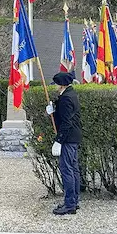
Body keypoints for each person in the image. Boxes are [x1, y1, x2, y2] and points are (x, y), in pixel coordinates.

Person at [46, 72, 82, 215]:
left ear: (61, 85)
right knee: (73, 170)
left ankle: (69, 204)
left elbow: (67, 122)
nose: (54, 86)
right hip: (73, 137)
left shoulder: (66, 98)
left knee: (67, 170)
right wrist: (54, 112)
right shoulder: (69, 95)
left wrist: (59, 141)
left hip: (68, 138)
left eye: (55, 83)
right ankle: (74, 200)